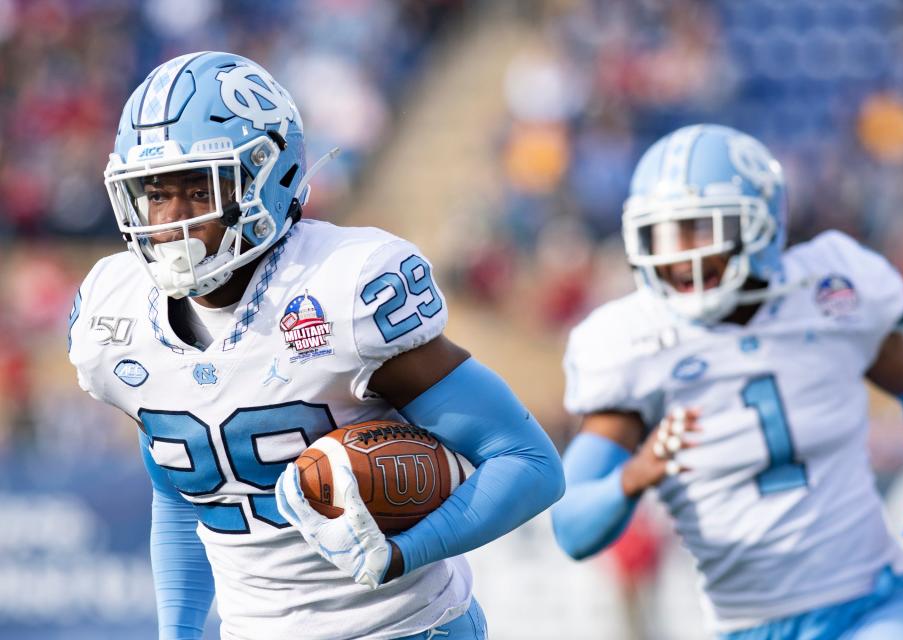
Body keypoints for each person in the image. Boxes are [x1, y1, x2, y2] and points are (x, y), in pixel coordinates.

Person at [67, 51, 564, 640]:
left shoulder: (344, 286)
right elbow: (181, 489)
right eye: (155, 192)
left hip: (406, 630)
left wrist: (401, 553)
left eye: (199, 190)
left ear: (267, 178)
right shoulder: (114, 311)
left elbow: (528, 462)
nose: (172, 221)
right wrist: (177, 632)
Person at [551, 124, 903, 639]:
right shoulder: (634, 344)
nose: (680, 255)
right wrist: (634, 476)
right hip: (747, 627)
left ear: (760, 224)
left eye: (700, 228)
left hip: (870, 604)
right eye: (664, 233)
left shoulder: (830, 289)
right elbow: (572, 528)